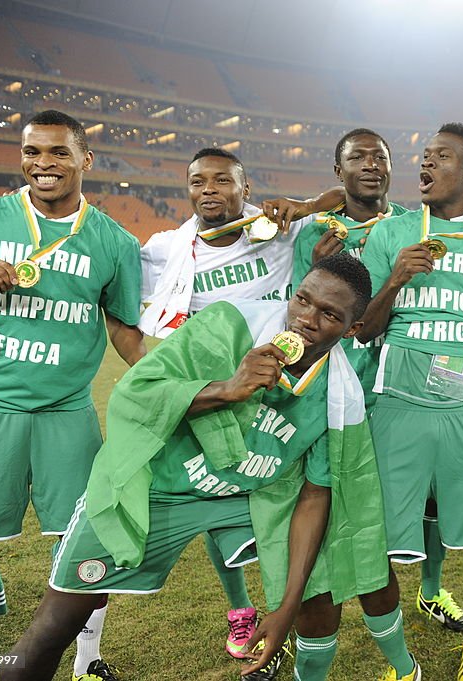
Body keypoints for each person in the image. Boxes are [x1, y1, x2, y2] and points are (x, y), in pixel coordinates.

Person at [0, 253, 388, 681]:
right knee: (56, 623)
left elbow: (315, 495)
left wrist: (285, 608)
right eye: (302, 300)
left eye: (329, 314)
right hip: (159, 485)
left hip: (248, 498)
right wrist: (228, 388)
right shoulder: (230, 323)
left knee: (318, 589)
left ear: (352, 330)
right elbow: (137, 393)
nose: (305, 320)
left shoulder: (341, 396)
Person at [0, 109, 145, 681]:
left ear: (85, 159)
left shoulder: (115, 240)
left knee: (86, 550)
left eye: (57, 153)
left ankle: (86, 660)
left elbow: (124, 330)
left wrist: (176, 384)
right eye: (33, 152)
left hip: (66, 414)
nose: (43, 164)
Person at [139, 147, 339, 659]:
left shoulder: (274, 231)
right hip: (220, 391)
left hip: (280, 389)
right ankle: (240, 607)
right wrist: (150, 364)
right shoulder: (167, 248)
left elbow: (339, 200)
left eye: (223, 181)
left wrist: (303, 202)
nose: (209, 189)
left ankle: (283, 609)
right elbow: (124, 299)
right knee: (213, 490)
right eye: (199, 181)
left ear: (245, 189)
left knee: (276, 500)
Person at [343, 122, 463, 681]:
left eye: (441, 157)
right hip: (397, 406)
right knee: (378, 542)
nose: (426, 165)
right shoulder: (393, 233)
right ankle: (402, 665)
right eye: (425, 156)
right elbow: (363, 330)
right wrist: (393, 279)